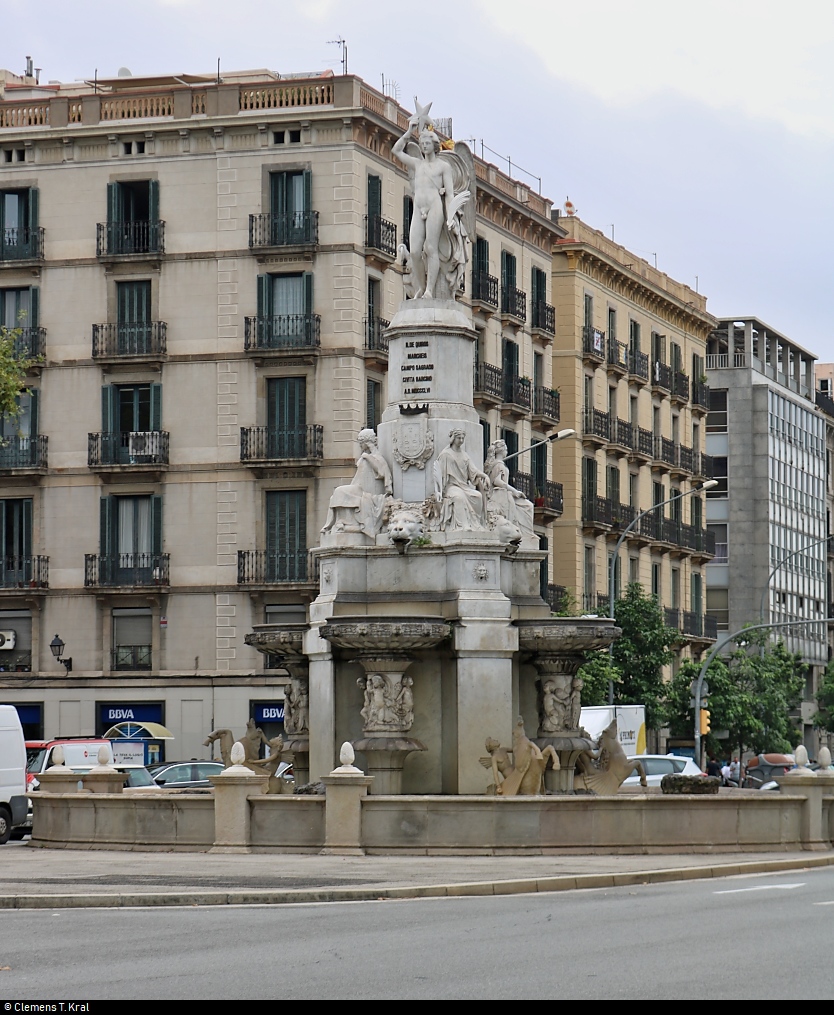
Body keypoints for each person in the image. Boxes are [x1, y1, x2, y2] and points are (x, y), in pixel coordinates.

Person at [392, 113, 470, 300]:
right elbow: (396, 151)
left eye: (427, 143)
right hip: (419, 208)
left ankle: (429, 290)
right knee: (416, 251)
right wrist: (409, 132)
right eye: (422, 143)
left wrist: (451, 217)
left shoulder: (443, 167)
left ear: (434, 145)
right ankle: (421, 286)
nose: (424, 145)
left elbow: (450, 194)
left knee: (431, 248)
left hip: (435, 207)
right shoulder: (417, 164)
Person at [321, 429, 393, 536]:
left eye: (361, 443)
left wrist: (368, 457)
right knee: (337, 494)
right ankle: (340, 522)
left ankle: (343, 523)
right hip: (359, 487)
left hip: (369, 491)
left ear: (366, 443)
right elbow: (358, 478)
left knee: (339, 492)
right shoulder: (365, 456)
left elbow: (382, 472)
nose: (360, 446)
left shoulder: (375, 456)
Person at [434, 428, 489, 531]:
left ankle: (477, 524)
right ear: (453, 438)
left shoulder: (464, 455)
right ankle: (463, 525)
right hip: (451, 486)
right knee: (458, 497)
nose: (461, 440)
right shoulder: (446, 454)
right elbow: (439, 475)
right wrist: (439, 492)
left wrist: (485, 476)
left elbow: (474, 470)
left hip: (464, 486)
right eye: (459, 438)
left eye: (463, 438)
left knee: (478, 496)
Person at [484, 439, 534, 538]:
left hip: (504, 494)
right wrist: (514, 490)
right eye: (506, 449)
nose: (507, 451)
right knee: (528, 506)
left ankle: (527, 533)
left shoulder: (498, 464)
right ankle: (526, 534)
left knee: (528, 505)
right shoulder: (498, 465)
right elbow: (497, 481)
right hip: (501, 496)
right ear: (502, 451)